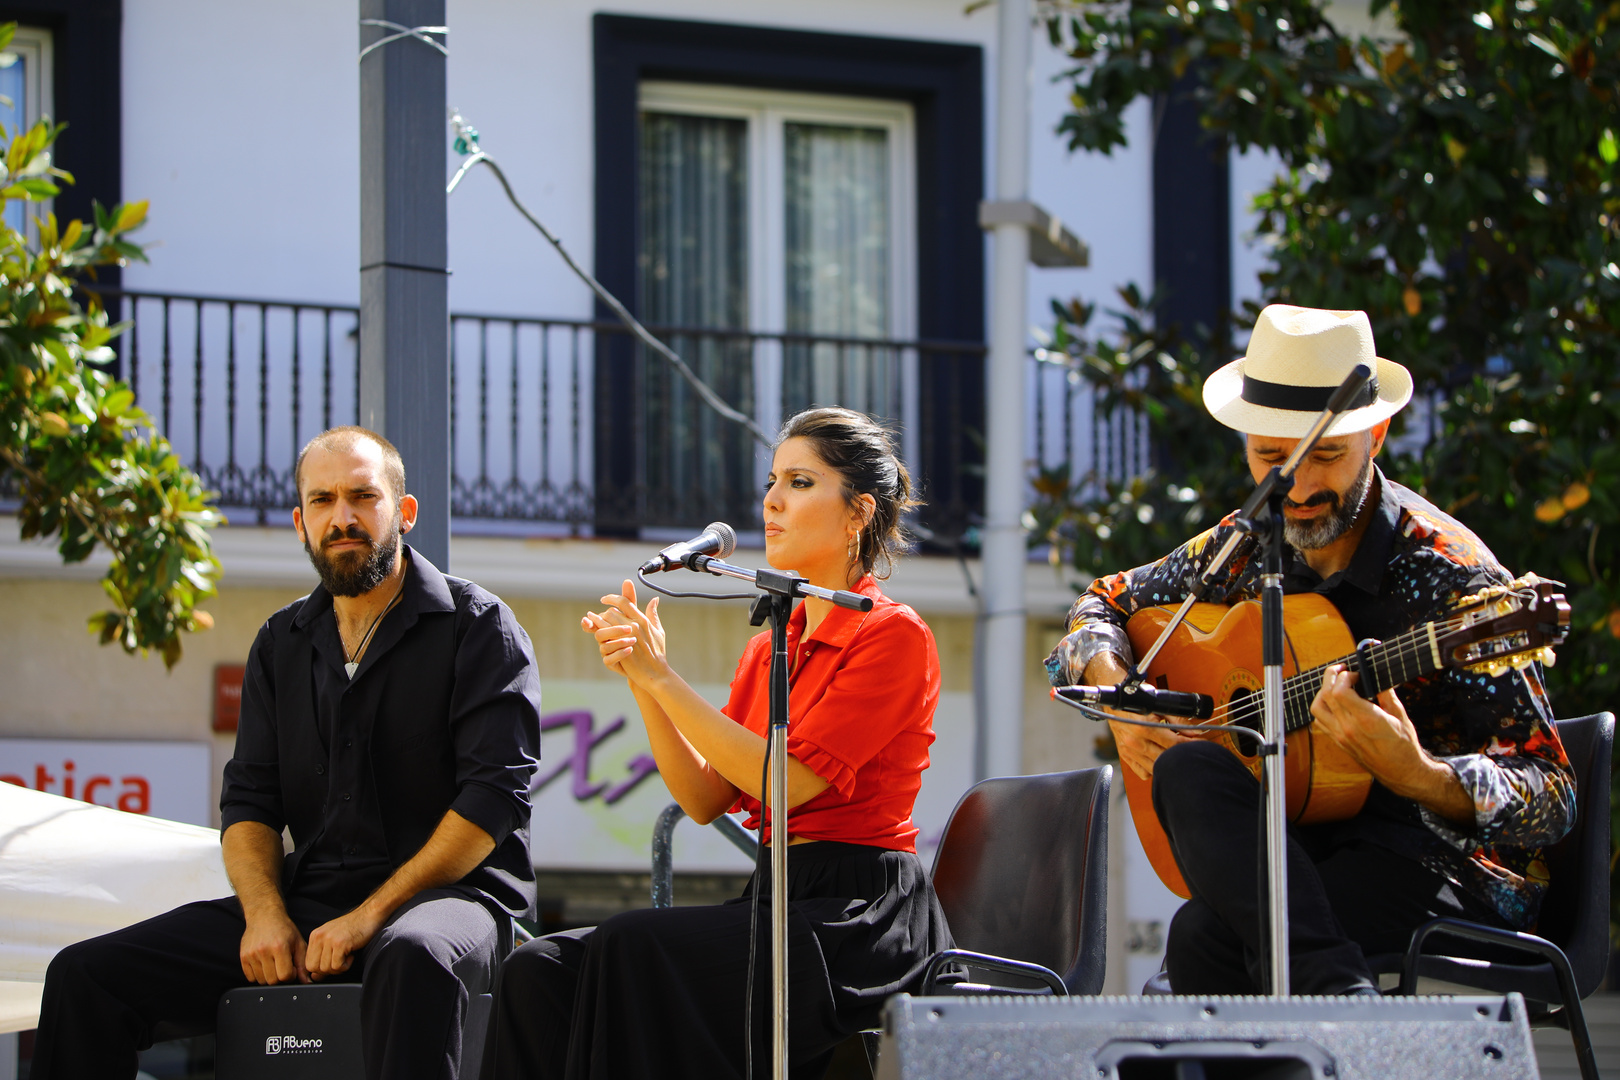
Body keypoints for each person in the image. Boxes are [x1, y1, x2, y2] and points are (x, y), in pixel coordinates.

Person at [1047, 304, 1576, 996]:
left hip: (1442, 865)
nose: (1296, 486)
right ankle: (1333, 994)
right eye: (1273, 458)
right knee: (1187, 777)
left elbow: (1554, 797)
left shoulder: (1454, 580)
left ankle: (1333, 993)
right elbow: (1102, 602)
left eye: (1325, 455)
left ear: (1376, 435)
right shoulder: (1244, 545)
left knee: (1203, 945)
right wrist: (1121, 698)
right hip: (1305, 845)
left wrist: (1418, 773)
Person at [33, 426, 543, 1080]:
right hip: (309, 903)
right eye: (324, 501)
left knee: (413, 955)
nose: (344, 518)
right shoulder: (280, 642)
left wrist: (366, 919)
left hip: (451, 903)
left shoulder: (481, 628)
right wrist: (265, 915)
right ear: (301, 523)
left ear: (404, 512)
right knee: (86, 977)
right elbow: (249, 803)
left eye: (363, 497)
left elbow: (492, 802)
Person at [483, 406, 954, 1079]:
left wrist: (662, 676)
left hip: (861, 915)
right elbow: (705, 797)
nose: (770, 500)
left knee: (631, 947)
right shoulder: (769, 649)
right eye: (771, 481)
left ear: (858, 513)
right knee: (538, 969)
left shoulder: (893, 635)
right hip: (778, 894)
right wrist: (642, 682)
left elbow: (785, 781)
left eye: (798, 482)